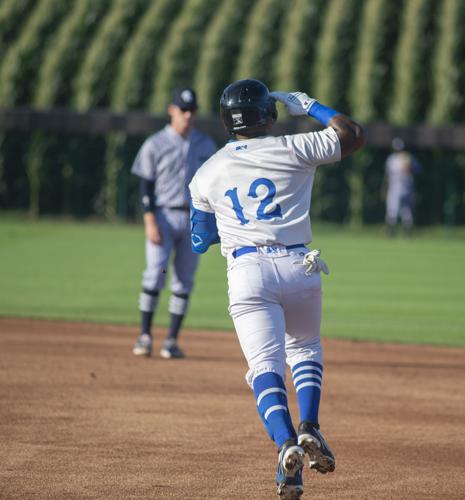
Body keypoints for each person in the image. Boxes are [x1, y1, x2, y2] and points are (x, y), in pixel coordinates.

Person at [189, 79, 364, 499]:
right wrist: (311, 106)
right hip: (299, 263)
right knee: (304, 348)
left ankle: (286, 443)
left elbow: (199, 239)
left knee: (265, 366)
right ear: (269, 114)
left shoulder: (206, 172)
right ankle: (311, 427)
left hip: (247, 270)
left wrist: (231, 223)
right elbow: (352, 134)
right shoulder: (294, 146)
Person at [131, 87, 217, 359]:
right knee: (156, 272)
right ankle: (145, 336)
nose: (188, 115)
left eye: (192, 111)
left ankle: (171, 341)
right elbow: (145, 186)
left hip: (194, 217)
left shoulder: (205, 144)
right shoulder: (155, 144)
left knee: (184, 281)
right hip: (163, 215)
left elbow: (215, 184)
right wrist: (149, 221)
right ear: (172, 110)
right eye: (183, 110)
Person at [383, 137, 422, 236]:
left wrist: (410, 168)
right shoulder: (391, 159)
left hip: (407, 188)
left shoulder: (409, 158)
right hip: (394, 188)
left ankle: (407, 234)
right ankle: (391, 233)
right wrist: (385, 188)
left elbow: (419, 170)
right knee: (392, 211)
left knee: (406, 212)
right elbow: (387, 175)